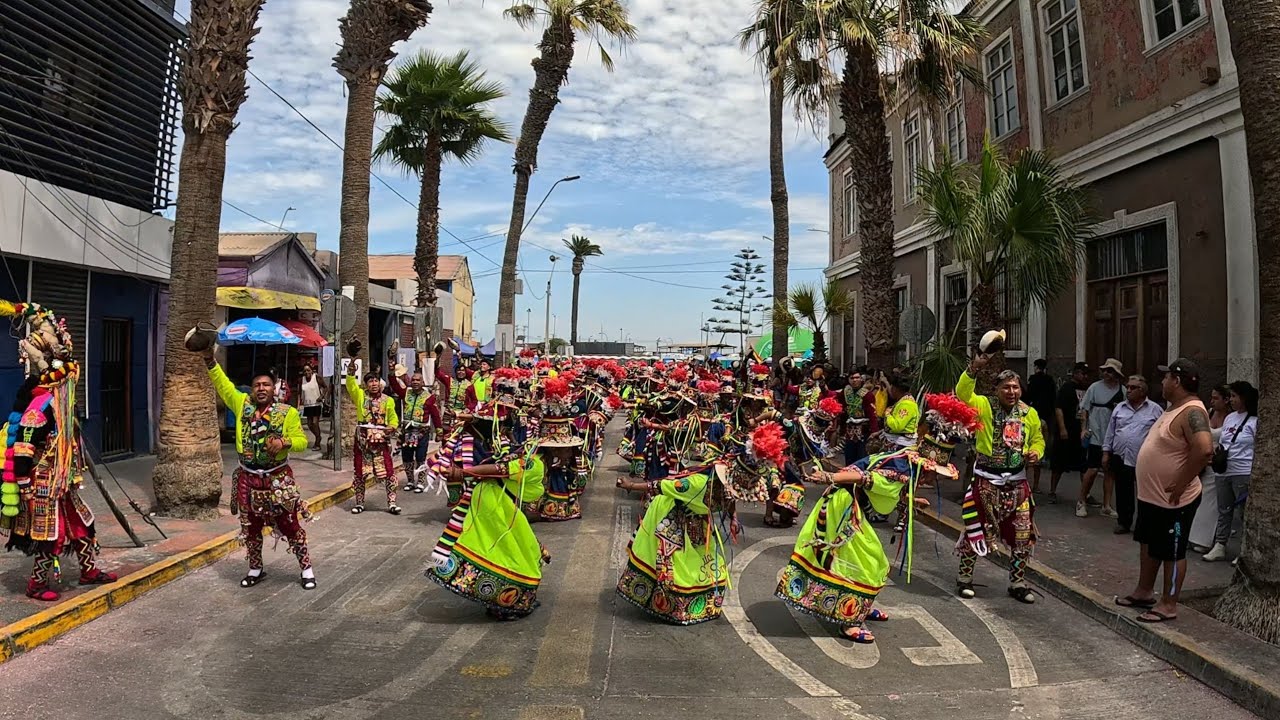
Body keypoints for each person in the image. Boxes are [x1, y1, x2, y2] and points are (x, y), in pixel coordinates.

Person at [777, 393, 976, 642]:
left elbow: (882, 486)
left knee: (876, 562)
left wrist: (910, 500)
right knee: (866, 564)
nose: (933, 479)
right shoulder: (903, 468)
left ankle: (861, 605)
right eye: (934, 473)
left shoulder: (905, 458)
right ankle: (849, 620)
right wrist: (830, 477)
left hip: (849, 505)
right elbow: (866, 478)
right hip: (844, 511)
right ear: (925, 466)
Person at [0, 301, 117, 600]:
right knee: (49, 534)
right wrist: (24, 485)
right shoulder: (40, 407)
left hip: (61, 482)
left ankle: (88, 570)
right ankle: (36, 585)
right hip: (41, 483)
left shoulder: (61, 407)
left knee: (82, 522)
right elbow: (24, 447)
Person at [202, 350, 316, 589]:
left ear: (274, 389)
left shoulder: (288, 413)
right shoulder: (241, 405)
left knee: (290, 525)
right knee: (250, 527)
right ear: (251, 389)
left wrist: (285, 443)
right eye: (257, 385)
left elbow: (302, 441)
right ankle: (255, 568)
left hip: (278, 479)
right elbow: (223, 385)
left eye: (266, 384)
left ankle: (306, 568)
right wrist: (209, 359)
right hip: (248, 478)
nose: (261, 388)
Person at [425, 405, 549, 620]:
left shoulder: (529, 459)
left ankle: (503, 599)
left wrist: (462, 472)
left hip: (494, 502)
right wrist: (463, 471)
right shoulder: (517, 452)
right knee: (506, 551)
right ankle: (503, 601)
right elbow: (496, 466)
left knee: (514, 548)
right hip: (491, 505)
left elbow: (500, 467)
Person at [1117, 359, 1212, 623]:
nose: (1162, 382)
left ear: (1177, 381)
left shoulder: (1193, 411)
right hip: (1152, 497)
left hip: (1175, 500)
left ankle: (1169, 603)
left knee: (1172, 550)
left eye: (1166, 377)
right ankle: (1144, 591)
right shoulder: (1173, 409)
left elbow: (1204, 449)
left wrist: (1181, 483)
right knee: (1148, 544)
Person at [954, 354, 1045, 603]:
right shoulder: (984, 405)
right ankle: (964, 578)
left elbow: (1037, 438)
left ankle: (1017, 582)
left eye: (1016, 387)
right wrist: (973, 369)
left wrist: (1036, 451)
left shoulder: (1029, 413)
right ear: (996, 389)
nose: (1012, 391)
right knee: (977, 529)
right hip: (986, 481)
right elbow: (963, 395)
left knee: (1023, 534)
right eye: (1006, 387)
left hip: (1017, 483)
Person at [615, 451, 733, 625]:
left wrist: (734, 517)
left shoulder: (725, 485)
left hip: (697, 522)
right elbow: (660, 485)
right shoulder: (695, 483)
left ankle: (701, 605)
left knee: (704, 561)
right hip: (673, 517)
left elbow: (730, 500)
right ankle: (671, 606)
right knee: (675, 563)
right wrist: (630, 485)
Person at [1203, 381, 1256, 562]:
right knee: (1224, 510)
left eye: (1234, 396)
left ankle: (1244, 550)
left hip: (1243, 470)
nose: (1231, 400)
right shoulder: (1230, 418)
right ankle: (1220, 545)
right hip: (1224, 470)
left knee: (1243, 512)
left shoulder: (1254, 420)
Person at [1102, 376, 1163, 535]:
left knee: (1145, 492)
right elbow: (1111, 431)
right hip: (1121, 456)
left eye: (1132, 388)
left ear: (1142, 391)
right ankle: (1124, 522)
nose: (1128, 390)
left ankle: (1144, 524)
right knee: (1123, 490)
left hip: (1144, 458)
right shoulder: (1120, 408)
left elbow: (1161, 434)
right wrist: (1106, 452)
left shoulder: (1155, 409)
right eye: (1127, 387)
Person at [345, 359, 401, 515]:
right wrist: (351, 372)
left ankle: (392, 503)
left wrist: (392, 427)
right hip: (363, 442)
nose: (374, 384)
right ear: (366, 385)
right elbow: (351, 386)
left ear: (380, 383)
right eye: (370, 381)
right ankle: (360, 503)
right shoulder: (360, 397)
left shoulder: (388, 400)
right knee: (360, 473)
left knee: (389, 473)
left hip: (381, 442)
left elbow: (393, 418)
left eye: (376, 380)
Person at [1078, 358, 1125, 518]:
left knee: (1110, 472)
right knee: (1091, 469)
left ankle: (1106, 505)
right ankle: (1081, 501)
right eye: (1105, 370)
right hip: (1096, 435)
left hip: (1113, 437)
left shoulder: (1123, 391)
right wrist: (1083, 429)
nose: (1106, 373)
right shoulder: (1094, 388)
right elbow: (1084, 409)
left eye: (1110, 371)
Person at [1189, 386, 1231, 553]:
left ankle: (1204, 539)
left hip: (1218, 462)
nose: (1212, 401)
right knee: (1197, 497)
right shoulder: (1209, 412)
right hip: (1203, 461)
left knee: (1212, 501)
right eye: (1211, 397)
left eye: (1216, 398)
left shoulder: (1230, 418)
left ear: (1226, 400)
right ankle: (1192, 536)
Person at [1049, 362, 1089, 503]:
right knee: (1059, 463)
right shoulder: (1066, 388)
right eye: (1083, 373)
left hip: (1080, 431)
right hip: (1067, 429)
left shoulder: (1087, 389)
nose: (1085, 377)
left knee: (1083, 464)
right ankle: (1053, 491)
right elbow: (1058, 408)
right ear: (1076, 373)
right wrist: (1062, 428)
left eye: (1086, 374)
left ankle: (1085, 494)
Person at [398, 370, 442, 494]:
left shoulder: (429, 397)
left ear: (423, 382)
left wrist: (439, 432)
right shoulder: (406, 393)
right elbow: (395, 386)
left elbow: (435, 415)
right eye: (413, 380)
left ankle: (421, 482)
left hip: (422, 432)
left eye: (418, 380)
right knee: (406, 457)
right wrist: (392, 372)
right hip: (406, 431)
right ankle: (410, 481)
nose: (415, 382)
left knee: (420, 457)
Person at [1026, 359, 1056, 494]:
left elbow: (1028, 396)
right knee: (1040, 445)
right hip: (1047, 415)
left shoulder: (1033, 380)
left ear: (1036, 367)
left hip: (1034, 415)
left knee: (1026, 450)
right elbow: (1053, 397)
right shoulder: (1050, 380)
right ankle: (1036, 485)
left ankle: (1024, 482)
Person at [298, 363, 327, 451]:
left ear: (312, 371)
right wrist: (298, 404)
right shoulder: (301, 380)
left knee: (315, 423)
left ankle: (317, 441)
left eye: (308, 370)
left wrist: (321, 397)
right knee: (309, 424)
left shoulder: (317, 378)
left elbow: (325, 387)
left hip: (316, 404)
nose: (307, 372)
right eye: (305, 371)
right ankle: (318, 436)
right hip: (307, 404)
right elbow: (299, 393)